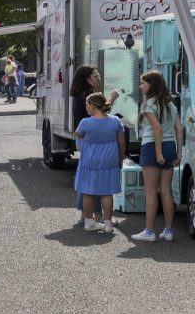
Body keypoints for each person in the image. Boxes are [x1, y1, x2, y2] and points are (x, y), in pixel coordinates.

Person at [133, 70, 182, 242]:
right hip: (170, 146)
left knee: (151, 192)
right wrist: (179, 152)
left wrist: (158, 152)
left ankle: (149, 232)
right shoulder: (171, 103)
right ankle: (168, 231)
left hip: (153, 147)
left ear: (152, 84)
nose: (140, 86)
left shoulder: (149, 105)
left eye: (143, 83)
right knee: (166, 191)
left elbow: (157, 129)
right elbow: (178, 129)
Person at [69, 65, 120, 223]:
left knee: (87, 176)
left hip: (85, 139)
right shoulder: (88, 95)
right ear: (87, 78)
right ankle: (96, 215)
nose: (99, 79)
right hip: (91, 140)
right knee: (97, 177)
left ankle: (87, 215)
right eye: (95, 76)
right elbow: (102, 114)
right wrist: (111, 98)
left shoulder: (80, 93)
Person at [73, 92, 124, 234]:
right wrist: (120, 158)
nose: (86, 107)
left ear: (93, 105)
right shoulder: (115, 121)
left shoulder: (85, 122)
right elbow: (121, 142)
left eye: (87, 104)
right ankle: (108, 224)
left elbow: (78, 134)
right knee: (107, 192)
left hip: (89, 161)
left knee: (88, 191)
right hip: (109, 160)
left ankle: (89, 222)